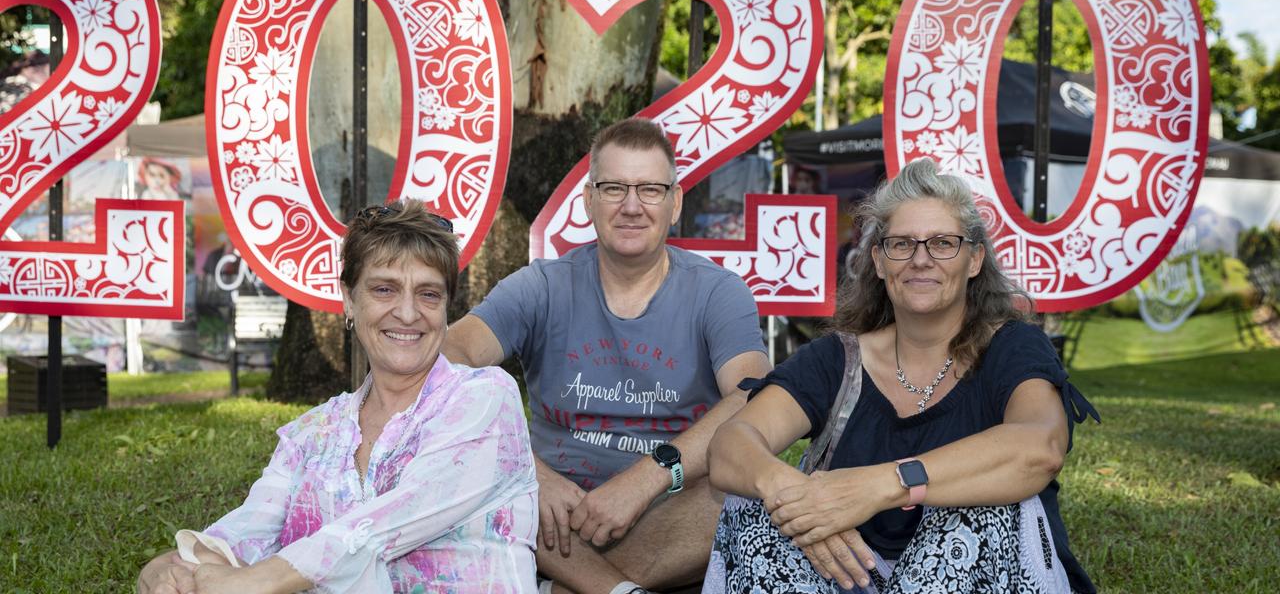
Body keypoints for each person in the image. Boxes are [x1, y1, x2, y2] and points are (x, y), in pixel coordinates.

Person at [706, 158, 1099, 593]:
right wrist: (801, 498)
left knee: (980, 501)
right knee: (752, 504)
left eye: (943, 243)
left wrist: (883, 485)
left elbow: (1038, 447)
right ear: (878, 260)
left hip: (976, 576)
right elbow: (730, 445)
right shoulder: (839, 358)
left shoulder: (1012, 346)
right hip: (851, 574)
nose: (921, 260)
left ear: (974, 260)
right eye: (901, 244)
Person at [137, 200, 538, 594]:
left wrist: (259, 580)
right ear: (349, 299)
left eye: (429, 294)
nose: (408, 312)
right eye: (384, 289)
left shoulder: (484, 399)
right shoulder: (311, 434)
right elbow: (247, 530)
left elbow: (387, 523)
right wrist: (171, 570)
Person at [444, 118, 770, 594]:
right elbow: (452, 354)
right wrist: (530, 473)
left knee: (741, 495)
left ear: (675, 203)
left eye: (651, 190)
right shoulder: (544, 285)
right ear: (589, 201)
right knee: (487, 484)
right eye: (614, 188)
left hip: (668, 508)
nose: (632, 206)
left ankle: (568, 587)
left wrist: (647, 479)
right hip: (552, 512)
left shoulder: (717, 292)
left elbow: (753, 396)